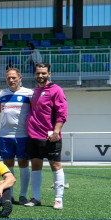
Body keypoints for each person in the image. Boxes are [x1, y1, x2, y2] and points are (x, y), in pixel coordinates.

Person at [25, 62, 68, 210]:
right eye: (38, 73)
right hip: (34, 136)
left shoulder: (56, 90)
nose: (40, 76)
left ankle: (58, 199)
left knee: (55, 166)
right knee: (36, 167)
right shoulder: (36, 90)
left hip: (50, 137)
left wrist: (56, 132)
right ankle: (36, 197)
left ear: (49, 74)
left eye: (43, 73)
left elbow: (62, 114)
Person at [0, 68, 33, 204]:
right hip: (5, 135)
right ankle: (10, 195)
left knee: (23, 163)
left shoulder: (29, 93)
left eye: (13, 77)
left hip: (22, 135)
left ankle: (23, 195)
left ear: (20, 78)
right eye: (8, 78)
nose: (11, 80)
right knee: (8, 165)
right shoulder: (2, 93)